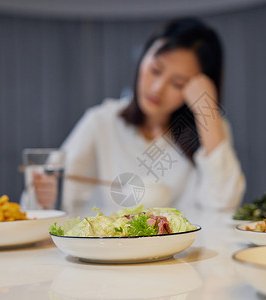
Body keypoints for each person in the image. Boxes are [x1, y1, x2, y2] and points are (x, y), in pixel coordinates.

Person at [29, 17, 246, 217]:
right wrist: (45, 195)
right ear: (142, 59)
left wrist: (206, 110)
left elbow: (224, 206)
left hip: (186, 256)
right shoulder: (102, 122)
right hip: (112, 252)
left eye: (178, 83)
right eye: (155, 70)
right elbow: (49, 197)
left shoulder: (208, 129)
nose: (157, 89)